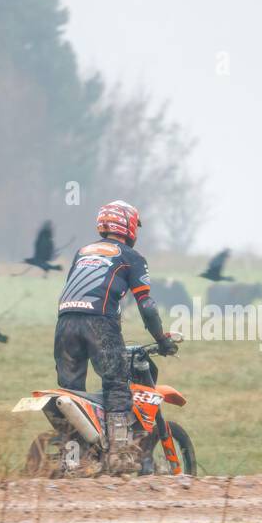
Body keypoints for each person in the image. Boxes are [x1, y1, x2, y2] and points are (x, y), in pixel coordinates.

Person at [54, 200, 178, 473]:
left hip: (65, 322)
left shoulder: (82, 252)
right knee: (117, 384)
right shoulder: (131, 257)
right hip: (99, 323)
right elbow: (146, 304)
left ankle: (70, 457)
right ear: (129, 226)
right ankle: (119, 452)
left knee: (72, 393)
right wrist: (161, 338)